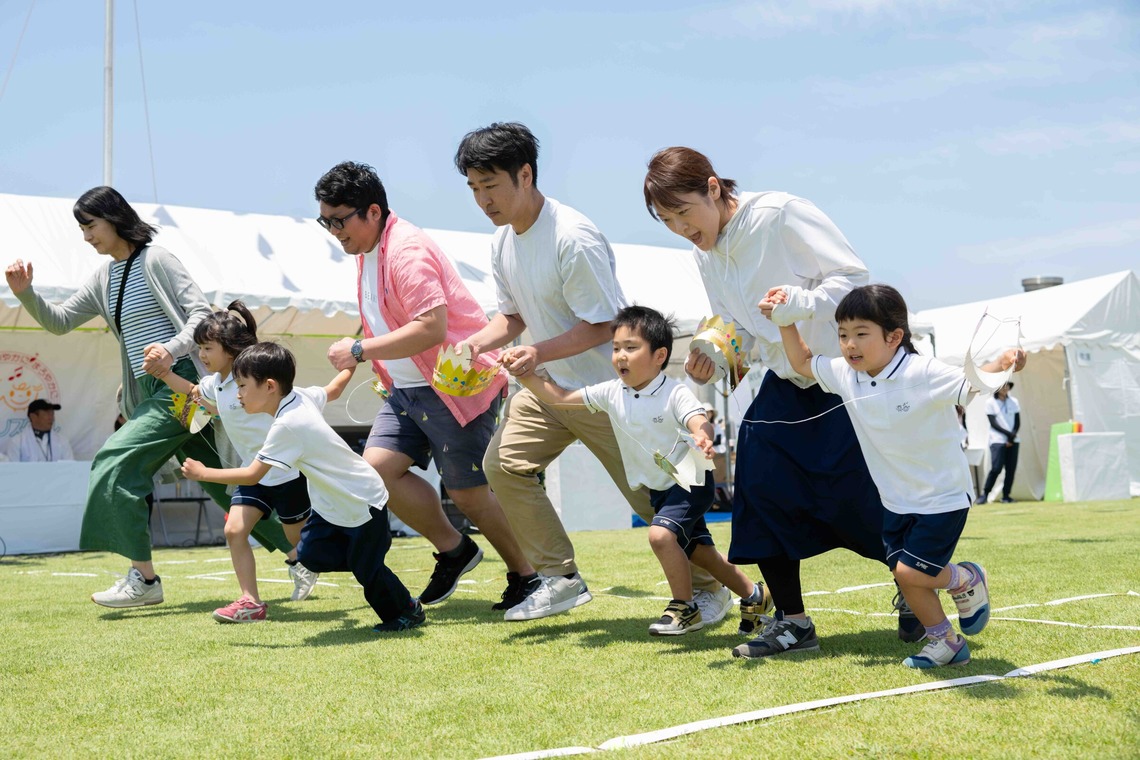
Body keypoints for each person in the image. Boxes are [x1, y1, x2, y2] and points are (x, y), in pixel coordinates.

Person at [643, 147, 920, 658]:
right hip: (787, 378)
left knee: (866, 494)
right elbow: (739, 329)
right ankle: (792, 622)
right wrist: (717, 356)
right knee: (759, 484)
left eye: (683, 212)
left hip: (845, 372)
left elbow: (853, 278)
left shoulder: (779, 213)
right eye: (667, 220)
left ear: (712, 188)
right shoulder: (705, 254)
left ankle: (915, 586)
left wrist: (799, 303)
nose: (681, 228)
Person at [456, 123, 728, 622]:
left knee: (655, 502)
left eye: (490, 185)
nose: (482, 199)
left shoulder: (572, 236)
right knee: (504, 466)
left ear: (525, 175)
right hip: (545, 389)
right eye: (473, 188)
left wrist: (534, 351)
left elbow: (603, 325)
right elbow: (511, 316)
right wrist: (476, 343)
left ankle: (712, 589)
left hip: (609, 392)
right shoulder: (502, 241)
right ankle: (560, 579)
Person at [4, 186, 292, 609]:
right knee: (218, 480)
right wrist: (25, 293)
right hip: (152, 392)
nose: (86, 236)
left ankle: (144, 577)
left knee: (115, 460)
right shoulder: (102, 278)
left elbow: (200, 314)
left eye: (90, 226)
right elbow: (60, 322)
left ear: (114, 218)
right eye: (81, 229)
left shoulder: (157, 259)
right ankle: (305, 551)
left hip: (180, 385)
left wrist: (170, 351)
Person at [313, 161, 535, 610]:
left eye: (339, 220)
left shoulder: (406, 250)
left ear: (373, 212)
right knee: (375, 471)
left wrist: (359, 350)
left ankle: (527, 574)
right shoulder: (368, 251)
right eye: (326, 221)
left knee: (468, 492)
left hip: (456, 385)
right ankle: (455, 550)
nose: (334, 231)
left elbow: (432, 327)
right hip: (407, 390)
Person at [767, 283, 1025, 667]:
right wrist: (784, 320)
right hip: (894, 501)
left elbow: (973, 380)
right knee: (905, 576)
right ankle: (946, 643)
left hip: (941, 499)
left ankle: (965, 579)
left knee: (911, 572)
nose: (849, 344)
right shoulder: (844, 373)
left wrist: (1004, 362)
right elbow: (803, 362)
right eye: (843, 334)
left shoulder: (923, 371)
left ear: (894, 337)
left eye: (861, 334)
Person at [509, 306, 773, 636]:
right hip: (660, 488)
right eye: (616, 348)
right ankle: (755, 595)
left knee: (660, 536)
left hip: (690, 480)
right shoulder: (610, 392)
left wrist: (703, 436)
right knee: (700, 553)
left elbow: (698, 419)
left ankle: (684, 608)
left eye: (631, 347)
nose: (621, 355)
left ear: (660, 355)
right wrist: (526, 377)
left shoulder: (674, 391)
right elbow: (561, 398)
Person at [181, 342, 424, 633]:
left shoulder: (288, 424)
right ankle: (368, 553)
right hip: (332, 503)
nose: (238, 394)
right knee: (308, 555)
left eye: (243, 386)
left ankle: (406, 610)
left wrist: (204, 473)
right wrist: (350, 365)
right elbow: (333, 389)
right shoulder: (300, 397)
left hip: (361, 497)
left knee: (367, 570)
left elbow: (253, 475)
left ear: (269, 386)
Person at [154, 301, 332, 621]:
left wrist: (348, 368)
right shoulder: (216, 384)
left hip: (287, 472)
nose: (202, 355)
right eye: (200, 348)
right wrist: (165, 374)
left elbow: (314, 396)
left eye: (207, 348)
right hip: (252, 472)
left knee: (300, 541)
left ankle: (314, 562)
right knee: (235, 530)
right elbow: (195, 392)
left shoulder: (255, 376)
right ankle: (250, 601)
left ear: (230, 349)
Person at [979, 382, 1019, 504]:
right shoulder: (990, 402)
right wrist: (1008, 435)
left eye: (1007, 385)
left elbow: (1017, 422)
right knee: (996, 468)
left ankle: (1006, 495)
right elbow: (993, 423)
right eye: (1003, 385)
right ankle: (985, 494)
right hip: (997, 440)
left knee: (1010, 469)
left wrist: (1011, 437)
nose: (1005, 388)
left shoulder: (1014, 401)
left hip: (1013, 440)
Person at [7, 399, 75, 462]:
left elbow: (70, 467)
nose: (51, 418)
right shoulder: (17, 442)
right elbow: (12, 469)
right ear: (33, 416)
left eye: (52, 414)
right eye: (47, 414)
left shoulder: (62, 441)